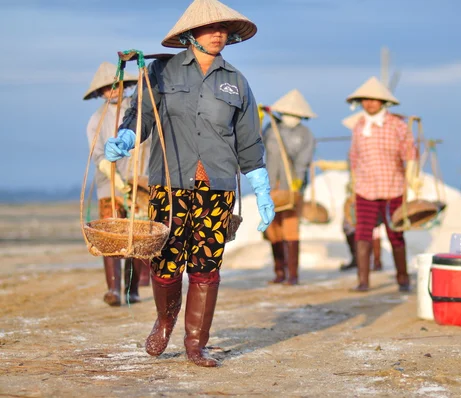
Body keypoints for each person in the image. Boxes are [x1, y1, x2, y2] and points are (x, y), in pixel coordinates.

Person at [104, 0, 275, 367]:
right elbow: (142, 116)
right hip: (170, 182)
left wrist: (260, 183)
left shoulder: (236, 82)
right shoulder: (161, 73)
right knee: (166, 261)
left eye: (224, 29)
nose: (219, 35)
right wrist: (125, 136)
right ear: (189, 35)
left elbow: (248, 139)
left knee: (207, 263)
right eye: (211, 28)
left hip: (218, 186)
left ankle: (196, 343)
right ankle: (165, 321)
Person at [84, 61, 151, 306]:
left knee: (136, 237)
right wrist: (114, 178)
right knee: (111, 236)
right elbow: (97, 153)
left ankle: (132, 291)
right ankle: (113, 289)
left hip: (139, 183)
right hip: (109, 185)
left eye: (117, 86)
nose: (113, 91)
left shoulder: (139, 110)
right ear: (100, 92)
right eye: (107, 88)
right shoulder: (97, 119)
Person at [347, 77, 420, 292]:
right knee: (362, 234)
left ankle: (402, 277)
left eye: (374, 100)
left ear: (383, 102)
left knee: (395, 234)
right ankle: (363, 280)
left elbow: (410, 154)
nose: (369, 104)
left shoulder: (398, 125)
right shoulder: (359, 126)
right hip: (365, 189)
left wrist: (414, 179)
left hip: (392, 188)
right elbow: (354, 157)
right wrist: (353, 185)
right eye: (365, 100)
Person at [263, 89, 316, 285]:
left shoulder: (305, 134)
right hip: (270, 187)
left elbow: (304, 160)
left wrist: (297, 182)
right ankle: (279, 271)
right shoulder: (271, 128)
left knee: (290, 228)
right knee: (273, 230)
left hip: (292, 188)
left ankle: (293, 274)